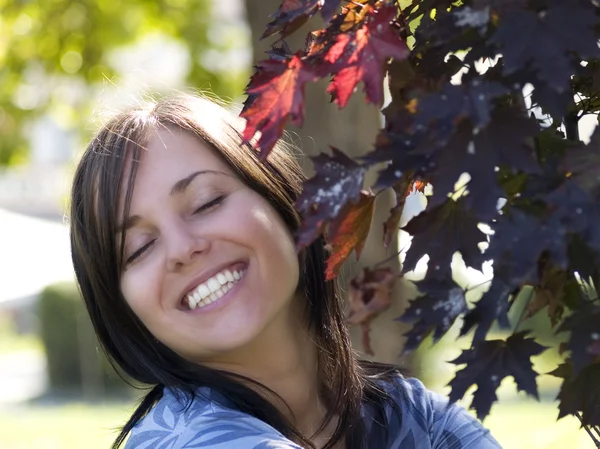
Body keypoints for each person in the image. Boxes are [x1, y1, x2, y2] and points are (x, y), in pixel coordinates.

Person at [69, 92, 502, 449]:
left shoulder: (414, 418)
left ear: (285, 203)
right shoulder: (190, 442)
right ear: (122, 308)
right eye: (139, 249)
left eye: (207, 202)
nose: (182, 249)